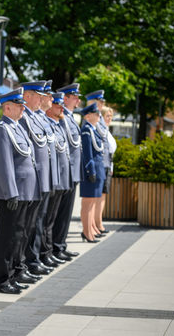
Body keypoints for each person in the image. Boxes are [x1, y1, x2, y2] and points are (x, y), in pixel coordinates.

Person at [0, 88, 40, 295]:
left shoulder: (17, 127)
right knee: (7, 237)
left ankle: (11, 275)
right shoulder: (3, 129)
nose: (22, 109)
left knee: (18, 236)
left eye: (23, 106)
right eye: (19, 106)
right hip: (12, 193)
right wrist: (11, 192)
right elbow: (4, 164)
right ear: (7, 107)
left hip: (24, 191)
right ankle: (1, 280)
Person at [19, 81, 57, 279]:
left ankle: (33, 259)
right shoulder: (25, 118)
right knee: (31, 224)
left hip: (44, 176)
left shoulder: (38, 118)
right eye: (38, 95)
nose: (42, 98)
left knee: (39, 221)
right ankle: (29, 260)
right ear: (27, 96)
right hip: (34, 177)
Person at [42, 93, 74, 264]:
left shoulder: (59, 125)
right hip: (52, 179)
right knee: (46, 220)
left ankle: (51, 250)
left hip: (60, 178)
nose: (62, 108)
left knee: (52, 219)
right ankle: (46, 252)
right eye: (57, 104)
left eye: (62, 105)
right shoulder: (48, 124)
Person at [52, 83, 83, 260]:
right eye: (75, 96)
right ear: (66, 98)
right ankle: (56, 246)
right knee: (60, 212)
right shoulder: (63, 117)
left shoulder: (69, 117)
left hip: (72, 171)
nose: (78, 100)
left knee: (66, 212)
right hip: (66, 171)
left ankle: (60, 244)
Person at [79, 103, 106, 242]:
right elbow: (88, 154)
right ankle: (86, 231)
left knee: (93, 202)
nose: (99, 116)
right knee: (88, 203)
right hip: (92, 169)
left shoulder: (93, 130)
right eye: (96, 114)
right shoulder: (86, 130)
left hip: (98, 169)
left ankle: (90, 230)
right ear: (88, 116)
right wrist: (90, 171)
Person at [86, 90, 111, 235]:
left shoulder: (100, 119)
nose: (101, 104)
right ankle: (91, 228)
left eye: (102, 102)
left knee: (97, 198)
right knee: (92, 200)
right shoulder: (91, 120)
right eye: (99, 101)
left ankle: (94, 226)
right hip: (96, 163)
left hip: (102, 163)